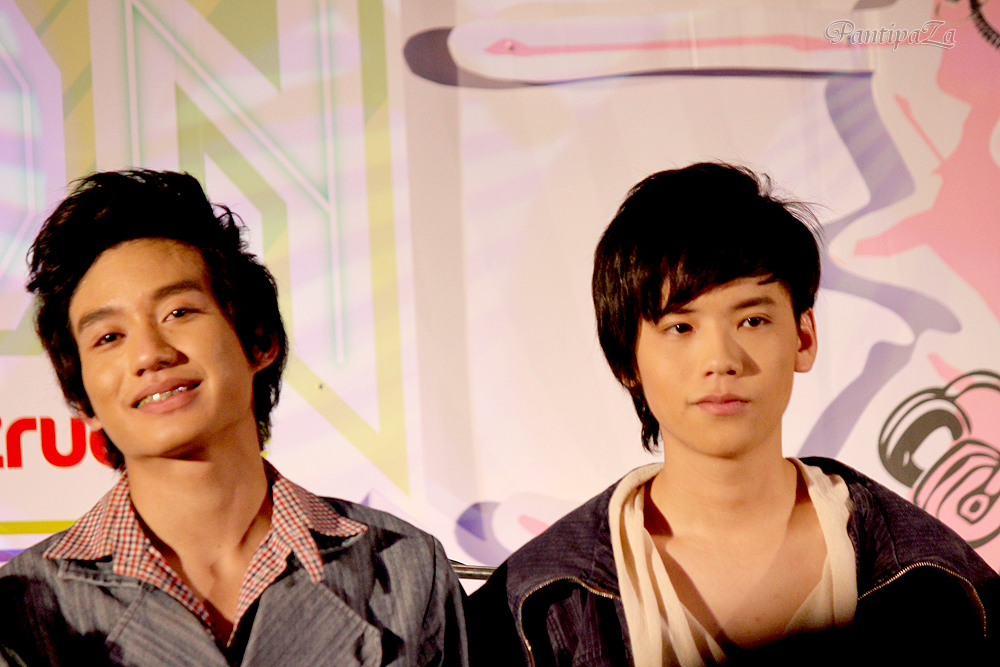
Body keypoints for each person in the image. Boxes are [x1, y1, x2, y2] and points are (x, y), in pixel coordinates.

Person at [466, 162, 998, 665]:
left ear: (804, 338)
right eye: (681, 327)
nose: (721, 360)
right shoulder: (532, 607)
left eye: (752, 321)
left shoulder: (940, 582)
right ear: (626, 358)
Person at [0, 170, 467, 667]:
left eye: (178, 312)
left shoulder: (405, 568)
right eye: (108, 337)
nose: (149, 354)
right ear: (82, 400)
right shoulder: (21, 611)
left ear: (259, 339)